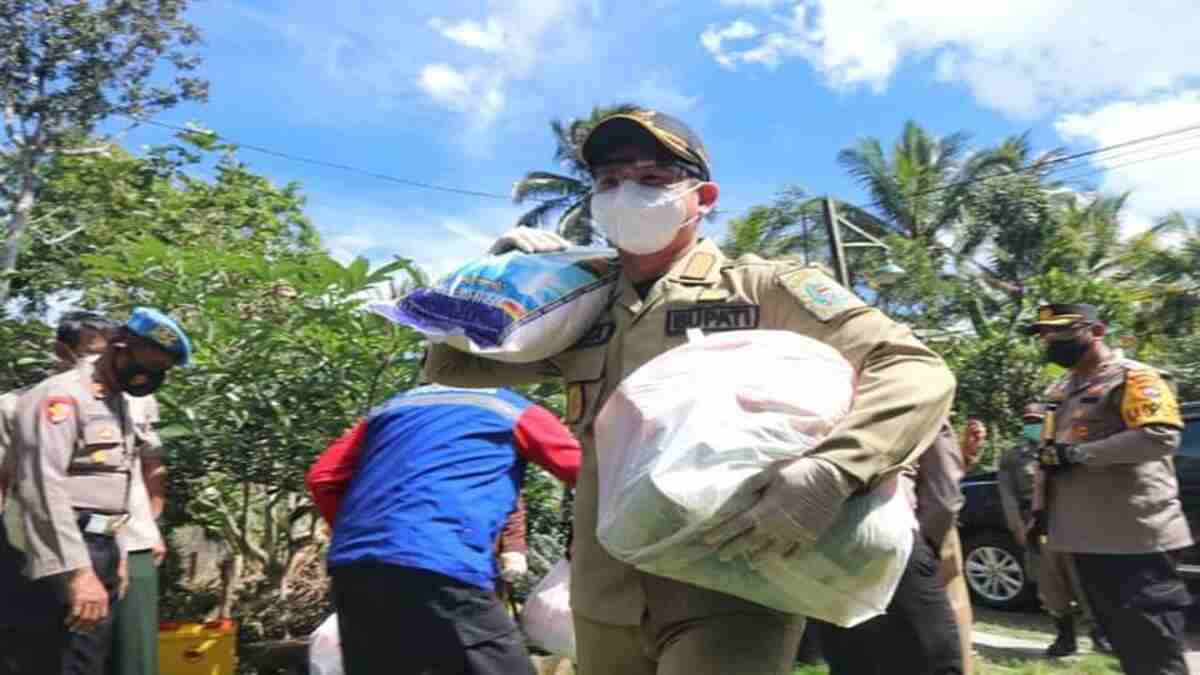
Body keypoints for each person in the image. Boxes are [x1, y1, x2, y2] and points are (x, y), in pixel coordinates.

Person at [424, 107, 956, 675]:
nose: (626, 194)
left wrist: (834, 469)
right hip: (606, 594)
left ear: (702, 198)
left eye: (652, 180)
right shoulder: (580, 304)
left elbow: (915, 369)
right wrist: (503, 278)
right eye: (609, 182)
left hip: (730, 585)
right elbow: (450, 367)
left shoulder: (761, 289)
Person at [308, 385, 581, 675]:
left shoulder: (390, 409)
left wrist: (366, 535)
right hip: (441, 563)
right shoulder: (512, 408)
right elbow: (588, 470)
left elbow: (323, 477)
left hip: (355, 567)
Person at [4, 308, 191, 675]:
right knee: (57, 661)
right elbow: (43, 487)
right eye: (148, 364)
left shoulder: (115, 399)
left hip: (99, 548)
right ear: (119, 347)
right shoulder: (61, 397)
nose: (150, 377)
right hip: (63, 550)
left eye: (161, 371)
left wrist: (118, 551)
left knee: (87, 661)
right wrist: (77, 572)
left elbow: (114, 487)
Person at [1026, 303, 1192, 675]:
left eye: (1062, 331)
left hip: (1134, 538)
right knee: (1125, 645)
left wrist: (1080, 454)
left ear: (1097, 331)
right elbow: (1049, 456)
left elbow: (1159, 437)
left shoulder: (1134, 378)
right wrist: (1040, 514)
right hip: (1083, 537)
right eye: (1045, 334)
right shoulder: (1064, 388)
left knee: (1154, 649)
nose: (1050, 340)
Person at [815, 424, 964, 675]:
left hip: (822, 551)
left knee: (852, 664)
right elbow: (945, 496)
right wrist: (925, 551)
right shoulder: (918, 388)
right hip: (894, 543)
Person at [997, 403, 1110, 657]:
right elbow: (1008, 496)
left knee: (1083, 579)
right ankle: (1065, 638)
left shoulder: (1068, 448)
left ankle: (1099, 635)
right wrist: (1018, 527)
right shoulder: (1013, 457)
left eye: (1037, 420)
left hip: (1072, 521)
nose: (1032, 425)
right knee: (1050, 585)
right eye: (1028, 420)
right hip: (1036, 525)